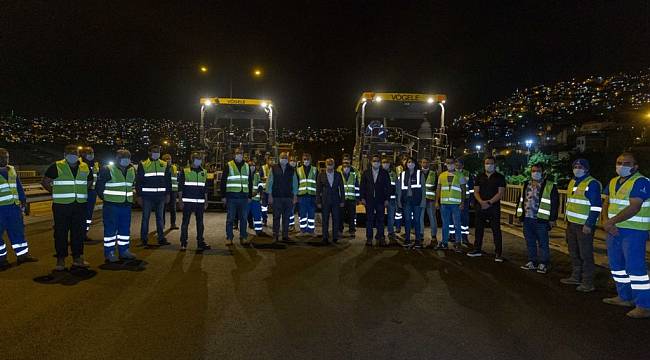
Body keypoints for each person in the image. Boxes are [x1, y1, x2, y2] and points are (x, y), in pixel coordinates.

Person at [602, 152, 650, 319]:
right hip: (614, 229)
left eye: (626, 163)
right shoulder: (613, 181)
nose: (621, 165)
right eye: (619, 162)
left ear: (635, 166)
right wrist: (606, 222)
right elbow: (606, 203)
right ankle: (624, 297)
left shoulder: (641, 182)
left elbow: (635, 206)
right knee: (617, 266)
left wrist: (610, 222)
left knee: (635, 268)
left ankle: (644, 305)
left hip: (634, 231)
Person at [42, 144, 94, 270]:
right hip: (61, 206)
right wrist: (56, 193)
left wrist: (81, 192)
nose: (73, 155)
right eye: (70, 153)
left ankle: (77, 258)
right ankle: (61, 260)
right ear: (64, 155)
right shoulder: (57, 166)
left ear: (78, 155)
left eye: (75, 153)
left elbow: (89, 181)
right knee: (61, 233)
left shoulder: (84, 166)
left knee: (78, 233)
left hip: (79, 205)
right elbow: (45, 182)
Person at [560, 159, 602, 292]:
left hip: (584, 225)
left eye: (580, 166)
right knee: (574, 252)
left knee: (585, 254)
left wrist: (589, 224)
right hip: (572, 223)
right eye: (575, 166)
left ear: (587, 169)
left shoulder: (592, 183)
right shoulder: (573, 182)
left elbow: (596, 206)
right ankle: (575, 277)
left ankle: (588, 282)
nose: (577, 169)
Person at [95, 149, 137, 262]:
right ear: (117, 158)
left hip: (126, 204)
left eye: (128, 157)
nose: (126, 159)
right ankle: (109, 253)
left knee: (124, 230)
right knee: (110, 230)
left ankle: (124, 251)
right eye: (123, 157)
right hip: (111, 205)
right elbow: (99, 187)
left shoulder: (132, 170)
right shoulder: (107, 169)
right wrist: (106, 199)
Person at [517, 163, 559, 274]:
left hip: (541, 219)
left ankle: (543, 263)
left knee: (543, 242)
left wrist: (552, 219)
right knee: (530, 241)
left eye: (538, 171)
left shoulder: (550, 185)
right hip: (527, 217)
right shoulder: (526, 184)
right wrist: (520, 216)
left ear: (543, 173)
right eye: (533, 170)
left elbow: (555, 204)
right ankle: (532, 261)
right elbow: (521, 200)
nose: (535, 173)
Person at [0, 148, 38, 271]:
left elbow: (18, 186)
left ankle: (22, 256)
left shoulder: (11, 170)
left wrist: (23, 200)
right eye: (2, 157)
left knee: (18, 232)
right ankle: (2, 260)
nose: (4, 159)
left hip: (14, 208)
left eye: (6, 157)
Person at [468, 156, 506, 261]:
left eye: (491, 163)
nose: (488, 165)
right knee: (479, 229)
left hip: (493, 207)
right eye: (487, 163)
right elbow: (476, 191)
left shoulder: (500, 177)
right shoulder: (480, 176)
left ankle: (498, 253)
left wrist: (489, 202)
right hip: (480, 206)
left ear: (495, 164)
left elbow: (500, 192)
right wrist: (481, 202)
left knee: (496, 230)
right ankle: (477, 249)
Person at [135, 145, 172, 247]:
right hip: (147, 197)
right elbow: (139, 182)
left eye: (158, 151)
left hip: (160, 196)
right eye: (154, 151)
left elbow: (168, 181)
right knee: (145, 218)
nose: (156, 153)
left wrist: (168, 194)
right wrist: (139, 196)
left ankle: (161, 238)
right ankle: (143, 240)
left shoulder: (164, 164)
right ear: (149, 152)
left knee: (160, 218)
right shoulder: (143, 164)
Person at [220, 148, 253, 245]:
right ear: (234, 154)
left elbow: (249, 182)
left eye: (241, 153)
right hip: (232, 197)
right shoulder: (229, 165)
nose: (240, 155)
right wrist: (223, 196)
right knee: (230, 218)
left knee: (243, 218)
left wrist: (250, 196)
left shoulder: (247, 166)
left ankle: (243, 236)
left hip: (244, 197)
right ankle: (229, 237)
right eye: (238, 153)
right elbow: (223, 181)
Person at [179, 152, 210, 251]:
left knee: (200, 224)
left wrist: (206, 201)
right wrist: (180, 201)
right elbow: (180, 188)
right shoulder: (185, 171)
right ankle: (183, 243)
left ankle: (200, 243)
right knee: (185, 223)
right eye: (197, 158)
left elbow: (205, 188)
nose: (199, 160)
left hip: (200, 202)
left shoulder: (204, 172)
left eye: (200, 158)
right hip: (187, 202)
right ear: (192, 159)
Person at [435, 157, 466, 252]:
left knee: (457, 224)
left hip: (456, 204)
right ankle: (444, 242)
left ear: (454, 163)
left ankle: (458, 243)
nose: (450, 164)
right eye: (448, 163)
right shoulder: (441, 175)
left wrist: (462, 203)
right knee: (445, 224)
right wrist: (437, 201)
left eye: (451, 162)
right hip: (444, 204)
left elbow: (464, 190)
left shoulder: (460, 175)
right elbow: (438, 189)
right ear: (445, 163)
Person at [267, 152, 298, 243]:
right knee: (276, 217)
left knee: (286, 217)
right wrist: (269, 195)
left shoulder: (292, 169)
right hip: (277, 197)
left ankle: (285, 235)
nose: (284, 158)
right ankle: (275, 235)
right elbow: (269, 182)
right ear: (279, 158)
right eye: (282, 157)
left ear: (287, 159)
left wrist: (295, 196)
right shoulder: (274, 168)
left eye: (285, 157)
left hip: (288, 197)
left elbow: (295, 183)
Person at [360, 154, 391, 246]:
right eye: (374, 161)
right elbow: (362, 186)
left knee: (380, 220)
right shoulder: (366, 173)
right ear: (371, 162)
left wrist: (387, 199)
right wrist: (362, 197)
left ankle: (380, 237)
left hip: (380, 200)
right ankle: (369, 238)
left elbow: (388, 187)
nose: (376, 162)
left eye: (377, 161)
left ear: (379, 162)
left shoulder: (384, 173)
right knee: (369, 219)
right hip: (369, 200)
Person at [398, 157, 426, 248]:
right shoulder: (402, 174)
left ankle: (418, 240)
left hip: (417, 201)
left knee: (417, 221)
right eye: (408, 162)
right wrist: (399, 201)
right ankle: (407, 239)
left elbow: (423, 189)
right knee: (407, 220)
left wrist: (423, 201)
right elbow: (399, 190)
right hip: (406, 201)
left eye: (412, 162)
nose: (410, 163)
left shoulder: (419, 173)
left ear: (415, 163)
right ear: (406, 164)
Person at [316, 158, 345, 244]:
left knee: (336, 219)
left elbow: (342, 189)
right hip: (325, 201)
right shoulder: (321, 175)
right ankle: (325, 237)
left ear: (334, 165)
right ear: (325, 165)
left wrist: (342, 200)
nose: (330, 166)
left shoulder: (338, 174)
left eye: (331, 164)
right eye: (328, 164)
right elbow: (318, 189)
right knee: (325, 219)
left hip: (336, 200)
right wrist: (318, 201)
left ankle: (335, 237)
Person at [80, 146, 99, 243]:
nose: (91, 154)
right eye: (89, 152)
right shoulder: (78, 164)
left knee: (88, 215)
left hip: (92, 192)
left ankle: (84, 234)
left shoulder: (95, 164)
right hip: (82, 192)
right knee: (80, 215)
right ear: (82, 154)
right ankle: (78, 235)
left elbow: (97, 178)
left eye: (92, 152)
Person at [296, 153, 318, 235]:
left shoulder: (315, 169)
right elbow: (296, 183)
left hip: (312, 195)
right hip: (301, 195)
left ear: (311, 160)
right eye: (304, 159)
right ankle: (303, 230)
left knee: (311, 213)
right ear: (302, 160)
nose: (306, 160)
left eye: (307, 159)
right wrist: (296, 195)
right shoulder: (298, 170)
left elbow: (318, 183)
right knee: (302, 213)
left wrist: (318, 196)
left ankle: (311, 230)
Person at [339, 157, 359, 237]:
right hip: (342, 199)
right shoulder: (338, 172)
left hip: (351, 199)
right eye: (344, 164)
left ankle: (352, 230)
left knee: (352, 216)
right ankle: (340, 230)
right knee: (341, 215)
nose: (346, 166)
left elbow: (357, 186)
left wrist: (357, 198)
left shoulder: (354, 173)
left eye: (347, 164)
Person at [420, 157, 438, 247]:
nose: (425, 164)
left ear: (429, 164)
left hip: (431, 199)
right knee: (420, 218)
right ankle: (420, 235)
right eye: (423, 162)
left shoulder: (433, 174)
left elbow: (437, 187)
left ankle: (434, 236)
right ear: (421, 163)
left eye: (426, 162)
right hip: (421, 199)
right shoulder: (418, 173)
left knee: (432, 217)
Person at [383, 157, 400, 244]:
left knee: (391, 217)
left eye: (387, 162)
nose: (385, 163)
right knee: (380, 217)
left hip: (392, 199)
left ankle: (390, 232)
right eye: (384, 162)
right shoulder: (379, 173)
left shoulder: (393, 174)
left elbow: (397, 187)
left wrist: (398, 198)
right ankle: (381, 233)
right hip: (381, 199)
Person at [456, 158, 473, 245]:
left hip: (465, 199)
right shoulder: (451, 173)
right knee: (453, 219)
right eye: (456, 164)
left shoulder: (467, 173)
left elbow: (471, 188)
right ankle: (452, 236)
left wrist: (472, 200)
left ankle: (464, 237)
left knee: (464, 218)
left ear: (463, 165)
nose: (457, 166)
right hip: (454, 198)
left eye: (459, 164)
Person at [162, 153, 179, 230]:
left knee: (173, 208)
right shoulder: (162, 168)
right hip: (165, 190)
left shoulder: (174, 167)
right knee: (163, 208)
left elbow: (176, 178)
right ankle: (162, 224)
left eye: (169, 159)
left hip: (173, 190)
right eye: (166, 159)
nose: (168, 160)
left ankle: (173, 224)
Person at [248, 159, 265, 236]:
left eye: (253, 165)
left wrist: (259, 193)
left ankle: (259, 231)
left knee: (257, 216)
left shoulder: (257, 175)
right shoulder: (245, 175)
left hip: (256, 199)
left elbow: (260, 185)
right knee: (244, 216)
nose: (252, 167)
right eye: (250, 165)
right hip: (247, 199)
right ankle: (243, 232)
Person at [261, 155, 274, 227]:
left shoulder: (275, 168)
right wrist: (268, 179)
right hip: (264, 190)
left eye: (273, 160)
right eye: (270, 160)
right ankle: (264, 220)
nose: (271, 161)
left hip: (273, 191)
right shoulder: (263, 168)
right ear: (267, 161)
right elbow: (260, 177)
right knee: (264, 207)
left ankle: (275, 221)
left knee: (275, 207)